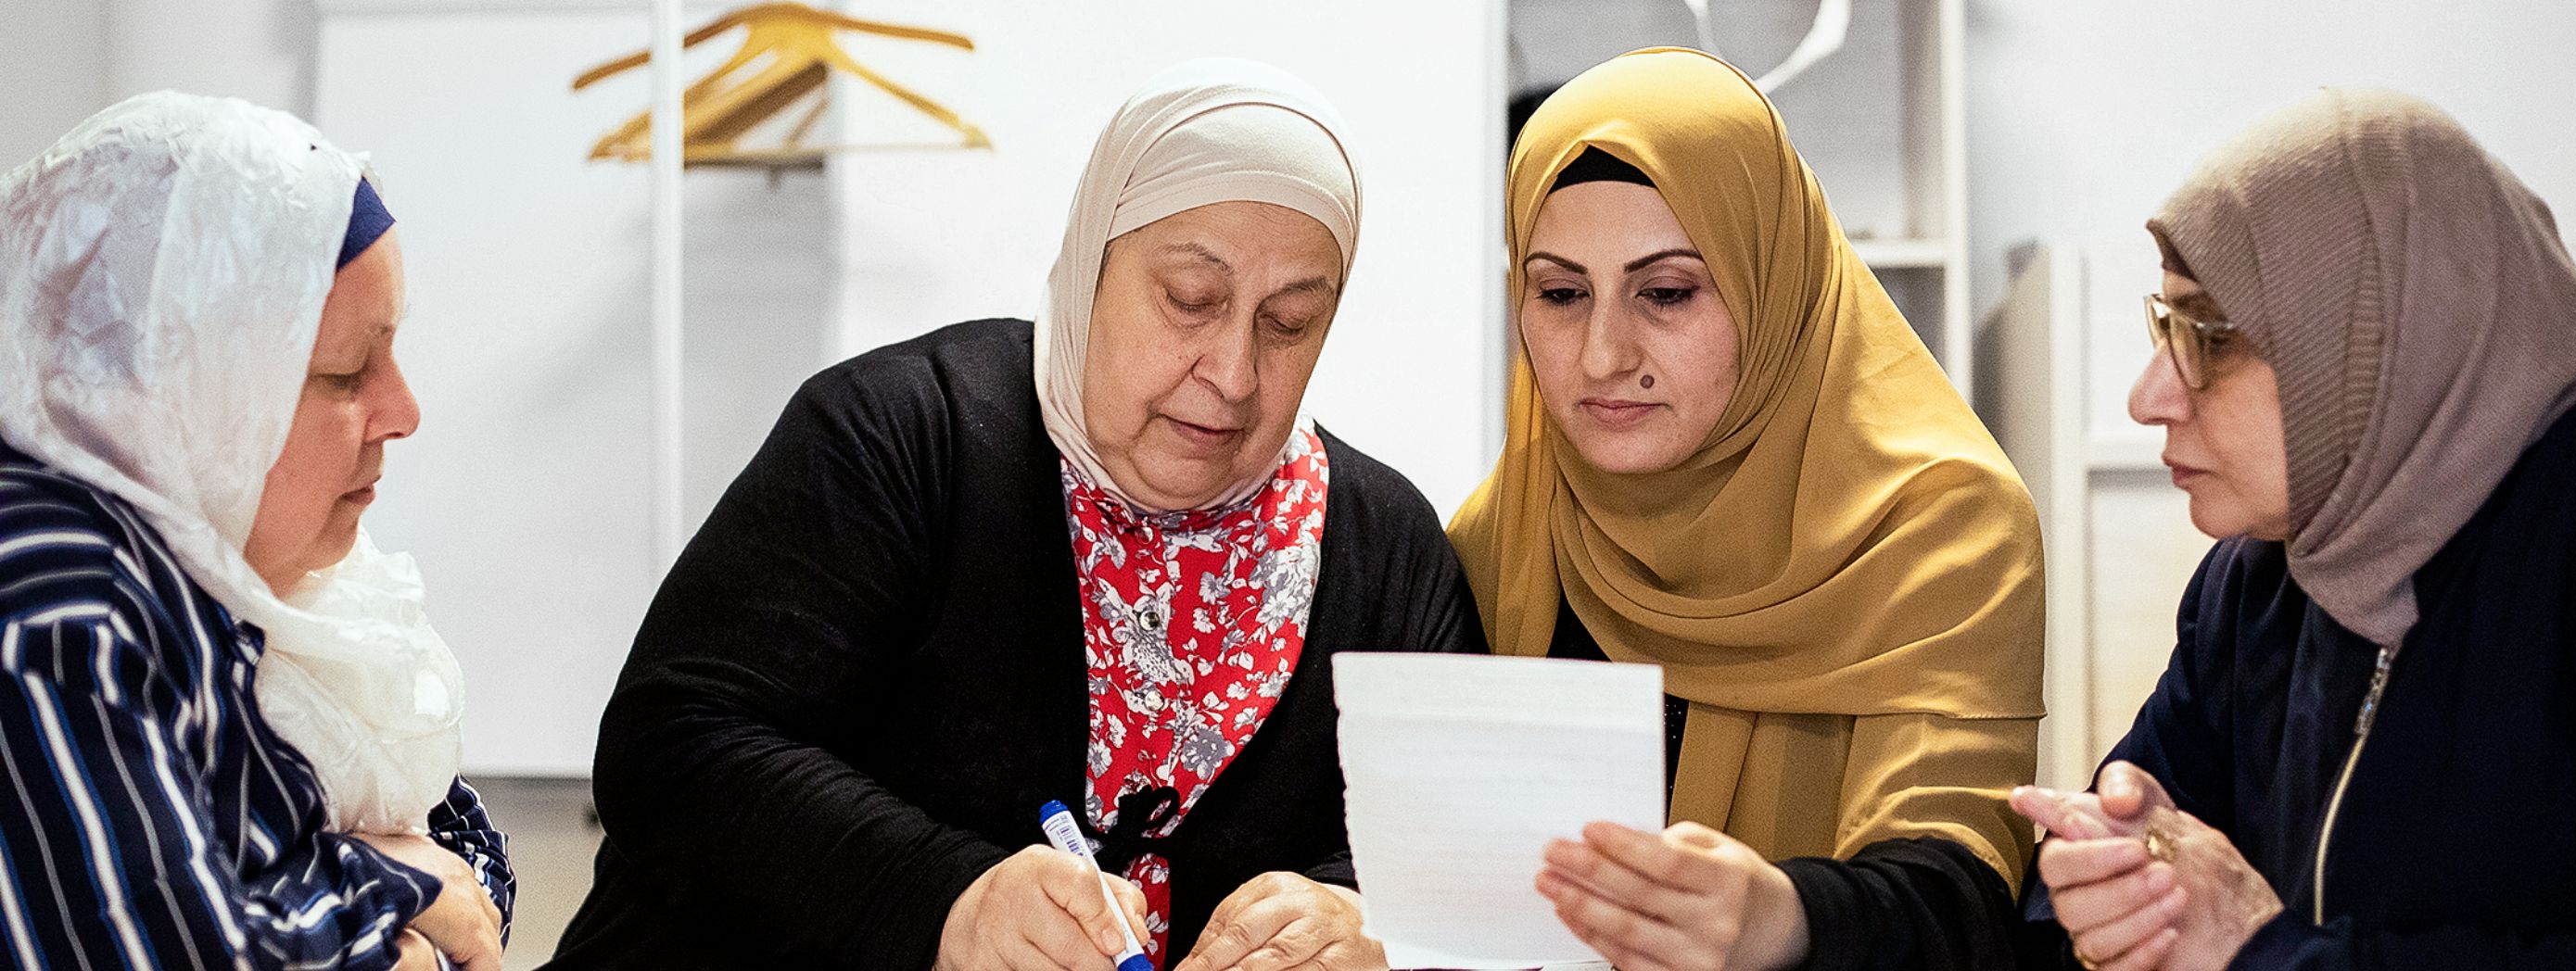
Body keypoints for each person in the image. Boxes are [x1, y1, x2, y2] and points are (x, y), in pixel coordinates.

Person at [545, 59, 1484, 971]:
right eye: (1189, 300)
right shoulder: (906, 438)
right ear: (1090, 266)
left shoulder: (1383, 550)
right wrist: (948, 900)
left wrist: (1366, 917)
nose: (1233, 372)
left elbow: (1462, 849)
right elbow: (674, 747)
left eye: (1288, 323)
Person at [2012, 87, 2576, 971]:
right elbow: (2080, 884)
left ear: (2374, 334)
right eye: (2164, 323)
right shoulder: (2258, 575)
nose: (2147, 398)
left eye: (2209, 335)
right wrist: (2096, 888)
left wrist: (2261, 950)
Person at [1451, 47, 2046, 970]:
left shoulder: (1938, 523)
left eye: (1668, 292)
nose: (1603, 355)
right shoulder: (1508, 529)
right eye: (1561, 293)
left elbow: (1960, 891)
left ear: (1772, 285)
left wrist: (1786, 916)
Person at [0, 93, 513, 970]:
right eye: (349, 371)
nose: (404, 411)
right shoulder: (57, 609)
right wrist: (393, 900)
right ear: (182, 390)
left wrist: (365, 898)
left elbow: (470, 863)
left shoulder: (244, 575)